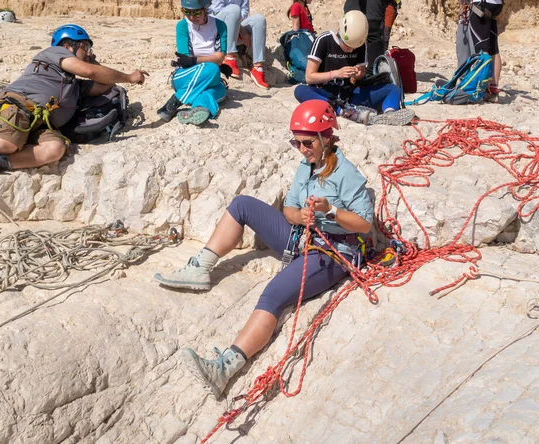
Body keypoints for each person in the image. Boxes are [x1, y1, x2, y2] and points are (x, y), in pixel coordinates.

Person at [154, 100, 374, 398]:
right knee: (242, 204)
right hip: (302, 236)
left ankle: (224, 368)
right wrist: (301, 216)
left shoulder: (347, 175)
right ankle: (200, 268)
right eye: (296, 141)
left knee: (273, 294)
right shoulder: (307, 165)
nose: (301, 148)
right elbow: (290, 208)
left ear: (326, 138)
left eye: (307, 142)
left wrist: (331, 211)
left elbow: (363, 225)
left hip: (331, 252)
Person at [0, 24, 148, 194]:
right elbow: (89, 71)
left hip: (41, 124)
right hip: (19, 107)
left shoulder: (74, 85)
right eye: (86, 47)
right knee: (8, 141)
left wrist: (94, 60)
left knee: (54, 150)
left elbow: (104, 83)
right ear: (68, 46)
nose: (89, 53)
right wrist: (129, 77)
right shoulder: (53, 53)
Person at [294, 10, 415, 126]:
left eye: (354, 47)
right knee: (300, 90)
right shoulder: (323, 41)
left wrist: (359, 74)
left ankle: (389, 115)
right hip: (325, 94)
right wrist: (336, 74)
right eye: (347, 46)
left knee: (393, 89)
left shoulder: (360, 44)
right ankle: (342, 112)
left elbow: (362, 73)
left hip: (350, 95)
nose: (351, 50)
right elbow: (309, 77)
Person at [157, 0, 228, 126]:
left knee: (220, 89)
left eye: (196, 12)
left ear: (206, 8)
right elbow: (185, 61)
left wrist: (195, 60)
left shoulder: (220, 26)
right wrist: (210, 60)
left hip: (207, 76)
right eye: (186, 12)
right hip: (183, 77)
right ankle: (174, 102)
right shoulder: (183, 26)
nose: (191, 17)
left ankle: (197, 109)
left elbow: (219, 58)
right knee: (213, 69)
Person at [208, 0, 269, 89]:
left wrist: (238, 27)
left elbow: (244, 11)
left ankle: (257, 67)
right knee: (234, 9)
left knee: (259, 19)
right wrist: (240, 29)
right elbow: (217, 10)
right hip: (216, 26)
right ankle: (229, 57)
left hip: (235, 24)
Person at [469, 0, 502, 101]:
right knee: (494, 49)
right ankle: (493, 90)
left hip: (481, 5)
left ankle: (481, 90)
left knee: (482, 49)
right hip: (497, 5)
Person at [344, 0, 387, 75]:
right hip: (366, 11)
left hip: (360, 11)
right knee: (370, 38)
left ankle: (365, 73)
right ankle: (370, 74)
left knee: (356, 38)